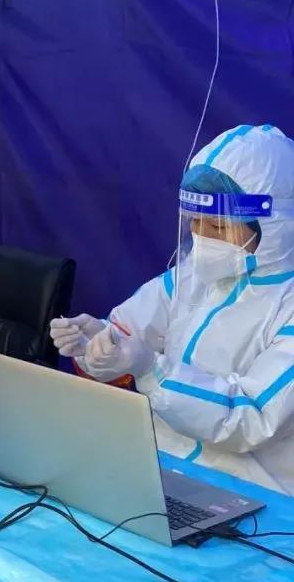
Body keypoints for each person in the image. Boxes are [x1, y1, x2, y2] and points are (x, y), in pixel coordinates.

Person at [52, 125, 294, 493]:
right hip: (162, 465)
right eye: (195, 222)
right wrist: (96, 346)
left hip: (251, 493)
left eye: (218, 226)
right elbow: (129, 331)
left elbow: (250, 417)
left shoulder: (286, 305)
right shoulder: (196, 276)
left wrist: (151, 369)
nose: (203, 239)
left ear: (275, 226)